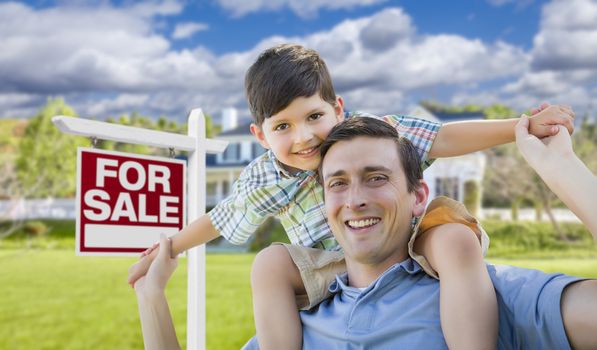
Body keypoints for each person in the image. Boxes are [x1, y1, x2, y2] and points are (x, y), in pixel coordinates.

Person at [129, 44, 575, 350]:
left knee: (454, 240)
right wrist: (166, 249)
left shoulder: (373, 135)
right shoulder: (264, 177)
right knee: (269, 263)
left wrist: (521, 127)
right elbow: (221, 218)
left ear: (338, 109)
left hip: (409, 236)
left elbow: (444, 136)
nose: (303, 137)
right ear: (260, 136)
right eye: (283, 127)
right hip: (332, 262)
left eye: (314, 117)